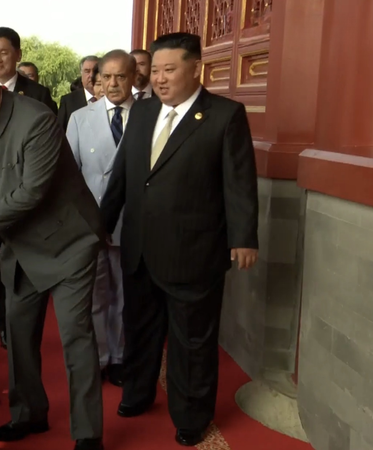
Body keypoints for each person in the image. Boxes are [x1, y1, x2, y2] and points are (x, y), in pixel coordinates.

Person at [0, 59, 105, 450]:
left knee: (75, 338)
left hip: (68, 244)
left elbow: (31, 192)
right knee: (19, 334)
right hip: (20, 247)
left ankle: (88, 433)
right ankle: (28, 413)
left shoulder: (37, 121)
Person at [99, 32, 259, 447]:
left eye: (170, 70)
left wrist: (243, 236)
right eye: (154, 70)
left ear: (196, 69)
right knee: (140, 330)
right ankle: (137, 392)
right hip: (139, 248)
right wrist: (100, 225)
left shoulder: (224, 115)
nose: (160, 78)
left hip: (194, 251)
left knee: (192, 341)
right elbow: (123, 177)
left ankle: (191, 415)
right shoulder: (143, 112)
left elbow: (238, 183)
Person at [66, 49, 137, 387]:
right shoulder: (80, 118)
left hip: (132, 223)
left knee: (124, 296)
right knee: (93, 296)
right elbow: (68, 177)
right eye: (105, 76)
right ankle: (99, 355)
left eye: (120, 76)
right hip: (90, 224)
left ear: (134, 78)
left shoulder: (148, 116)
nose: (112, 83)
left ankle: (121, 357)